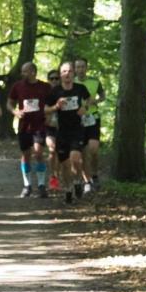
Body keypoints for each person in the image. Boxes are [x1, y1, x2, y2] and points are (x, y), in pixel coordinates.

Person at [45, 61, 91, 205]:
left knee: (75, 158)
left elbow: (89, 99)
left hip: (77, 129)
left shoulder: (80, 88)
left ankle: (78, 181)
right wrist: (56, 106)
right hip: (62, 131)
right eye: (64, 72)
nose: (67, 74)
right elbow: (45, 109)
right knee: (65, 165)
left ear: (73, 74)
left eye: (70, 71)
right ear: (60, 74)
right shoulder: (55, 91)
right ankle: (69, 190)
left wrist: (85, 107)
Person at [7, 62, 52, 198]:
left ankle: (41, 185)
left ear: (33, 71)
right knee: (26, 154)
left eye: (25, 71)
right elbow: (9, 102)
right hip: (24, 126)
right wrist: (15, 112)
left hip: (39, 125)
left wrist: (49, 115)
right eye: (22, 71)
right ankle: (27, 185)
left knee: (38, 152)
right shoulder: (18, 86)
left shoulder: (45, 87)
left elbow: (51, 103)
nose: (23, 74)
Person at [74, 57, 104, 193]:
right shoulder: (71, 82)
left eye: (82, 67)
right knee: (83, 153)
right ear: (75, 69)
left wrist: (95, 101)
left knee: (94, 150)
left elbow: (102, 96)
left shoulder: (94, 82)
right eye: (78, 67)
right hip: (77, 120)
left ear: (87, 68)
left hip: (93, 118)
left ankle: (95, 174)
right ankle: (87, 181)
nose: (80, 69)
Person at [44, 68, 61, 191]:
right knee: (52, 149)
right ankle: (53, 178)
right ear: (48, 80)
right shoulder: (45, 94)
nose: (54, 80)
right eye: (52, 78)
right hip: (48, 126)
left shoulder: (65, 92)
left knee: (60, 153)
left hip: (63, 127)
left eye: (57, 78)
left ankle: (58, 177)